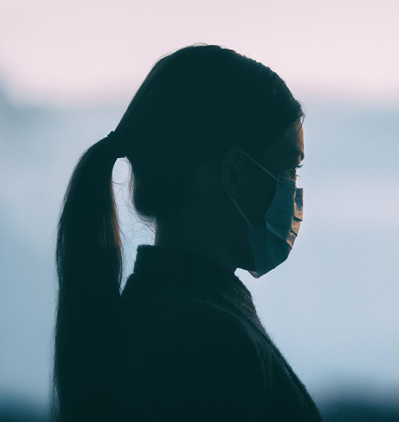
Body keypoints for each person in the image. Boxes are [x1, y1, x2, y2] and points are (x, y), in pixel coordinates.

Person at [53, 45, 321, 421]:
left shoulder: (164, 319)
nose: (293, 190)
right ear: (235, 173)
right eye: (289, 169)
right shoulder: (205, 344)